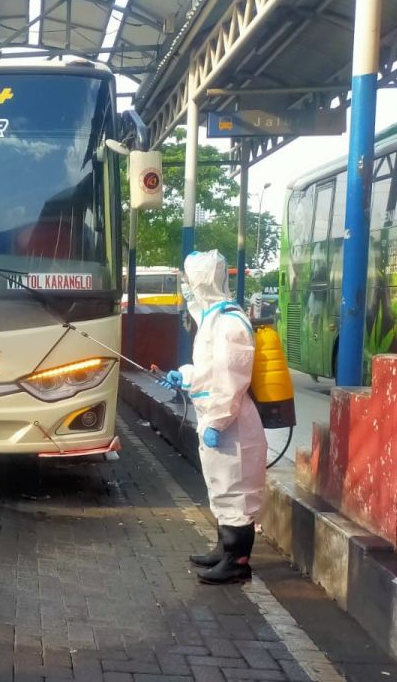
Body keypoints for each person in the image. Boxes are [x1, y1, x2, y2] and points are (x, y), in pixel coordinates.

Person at [161, 250, 266, 585]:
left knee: (236, 491)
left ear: (202, 281)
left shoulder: (230, 322)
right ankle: (224, 549)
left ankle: (238, 561)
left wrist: (218, 421)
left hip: (231, 422)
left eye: (189, 282)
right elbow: (208, 371)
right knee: (220, 487)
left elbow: (231, 377)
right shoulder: (212, 319)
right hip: (217, 418)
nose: (186, 289)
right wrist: (185, 376)